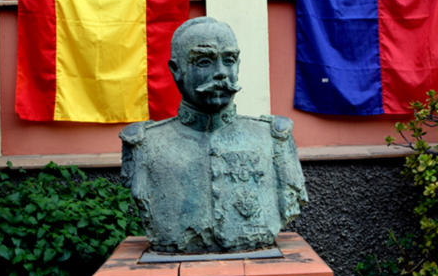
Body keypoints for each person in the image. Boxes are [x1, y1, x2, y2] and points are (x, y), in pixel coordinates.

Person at [120, 16, 307, 254]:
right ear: (177, 70)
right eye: (204, 62)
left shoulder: (273, 139)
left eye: (228, 60)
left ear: (238, 65)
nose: (220, 73)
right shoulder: (145, 144)